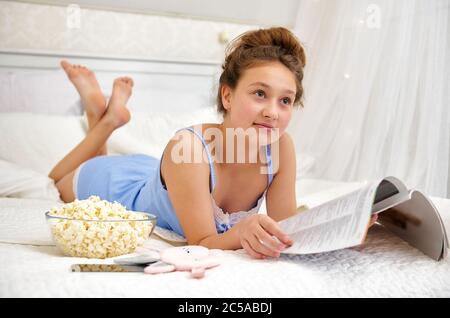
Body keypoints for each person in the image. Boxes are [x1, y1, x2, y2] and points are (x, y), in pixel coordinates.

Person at [49, 27, 376, 260]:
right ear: (227, 95)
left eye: (285, 100)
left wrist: (345, 227)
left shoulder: (281, 147)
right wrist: (242, 229)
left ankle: (100, 113)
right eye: (260, 94)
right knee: (56, 179)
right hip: (117, 185)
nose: (272, 112)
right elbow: (202, 241)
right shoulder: (188, 150)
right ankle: (105, 119)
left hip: (161, 176)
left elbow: (286, 226)